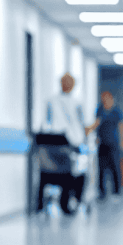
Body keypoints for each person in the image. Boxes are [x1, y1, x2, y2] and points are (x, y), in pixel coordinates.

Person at [41, 73, 91, 213]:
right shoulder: (74, 102)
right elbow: (83, 124)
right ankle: (72, 201)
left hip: (60, 142)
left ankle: (70, 200)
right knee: (75, 173)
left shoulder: (55, 101)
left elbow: (46, 122)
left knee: (68, 172)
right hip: (66, 144)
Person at [90, 91, 123, 199]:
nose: (104, 100)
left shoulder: (116, 111)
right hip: (102, 144)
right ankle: (102, 193)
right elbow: (97, 124)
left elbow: (122, 126)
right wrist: (95, 136)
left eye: (106, 98)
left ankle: (116, 192)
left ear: (111, 99)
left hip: (113, 143)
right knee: (101, 169)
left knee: (115, 167)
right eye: (103, 98)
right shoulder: (100, 110)